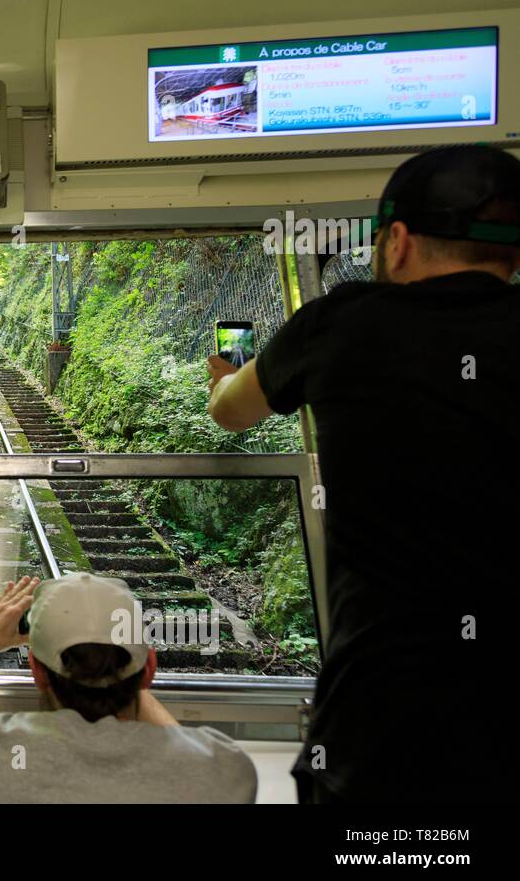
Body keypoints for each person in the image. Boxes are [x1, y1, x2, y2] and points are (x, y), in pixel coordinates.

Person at [206, 144, 520, 802]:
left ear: (399, 241)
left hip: (380, 718)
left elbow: (230, 412)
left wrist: (224, 380)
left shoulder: (340, 325)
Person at [0, 574, 257, 803]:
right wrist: (127, 672)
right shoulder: (225, 768)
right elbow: (186, 750)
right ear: (149, 669)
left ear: (37, 671)